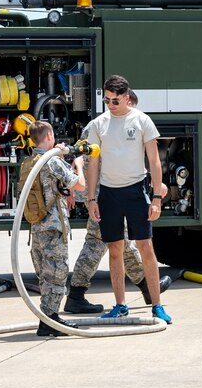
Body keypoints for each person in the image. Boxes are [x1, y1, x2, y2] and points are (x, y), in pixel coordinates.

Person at [65, 90, 171, 314]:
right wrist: (86, 192)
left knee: (124, 245)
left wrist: (154, 188)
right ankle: (76, 292)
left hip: (117, 191)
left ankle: (147, 289)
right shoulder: (99, 125)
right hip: (102, 192)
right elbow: (82, 156)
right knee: (100, 243)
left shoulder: (135, 121)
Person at [26, 120, 87, 337]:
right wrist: (78, 164)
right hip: (53, 227)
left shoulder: (31, 160)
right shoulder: (51, 161)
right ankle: (50, 321)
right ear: (50, 136)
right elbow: (80, 186)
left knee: (46, 275)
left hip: (36, 228)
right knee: (57, 274)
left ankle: (48, 318)